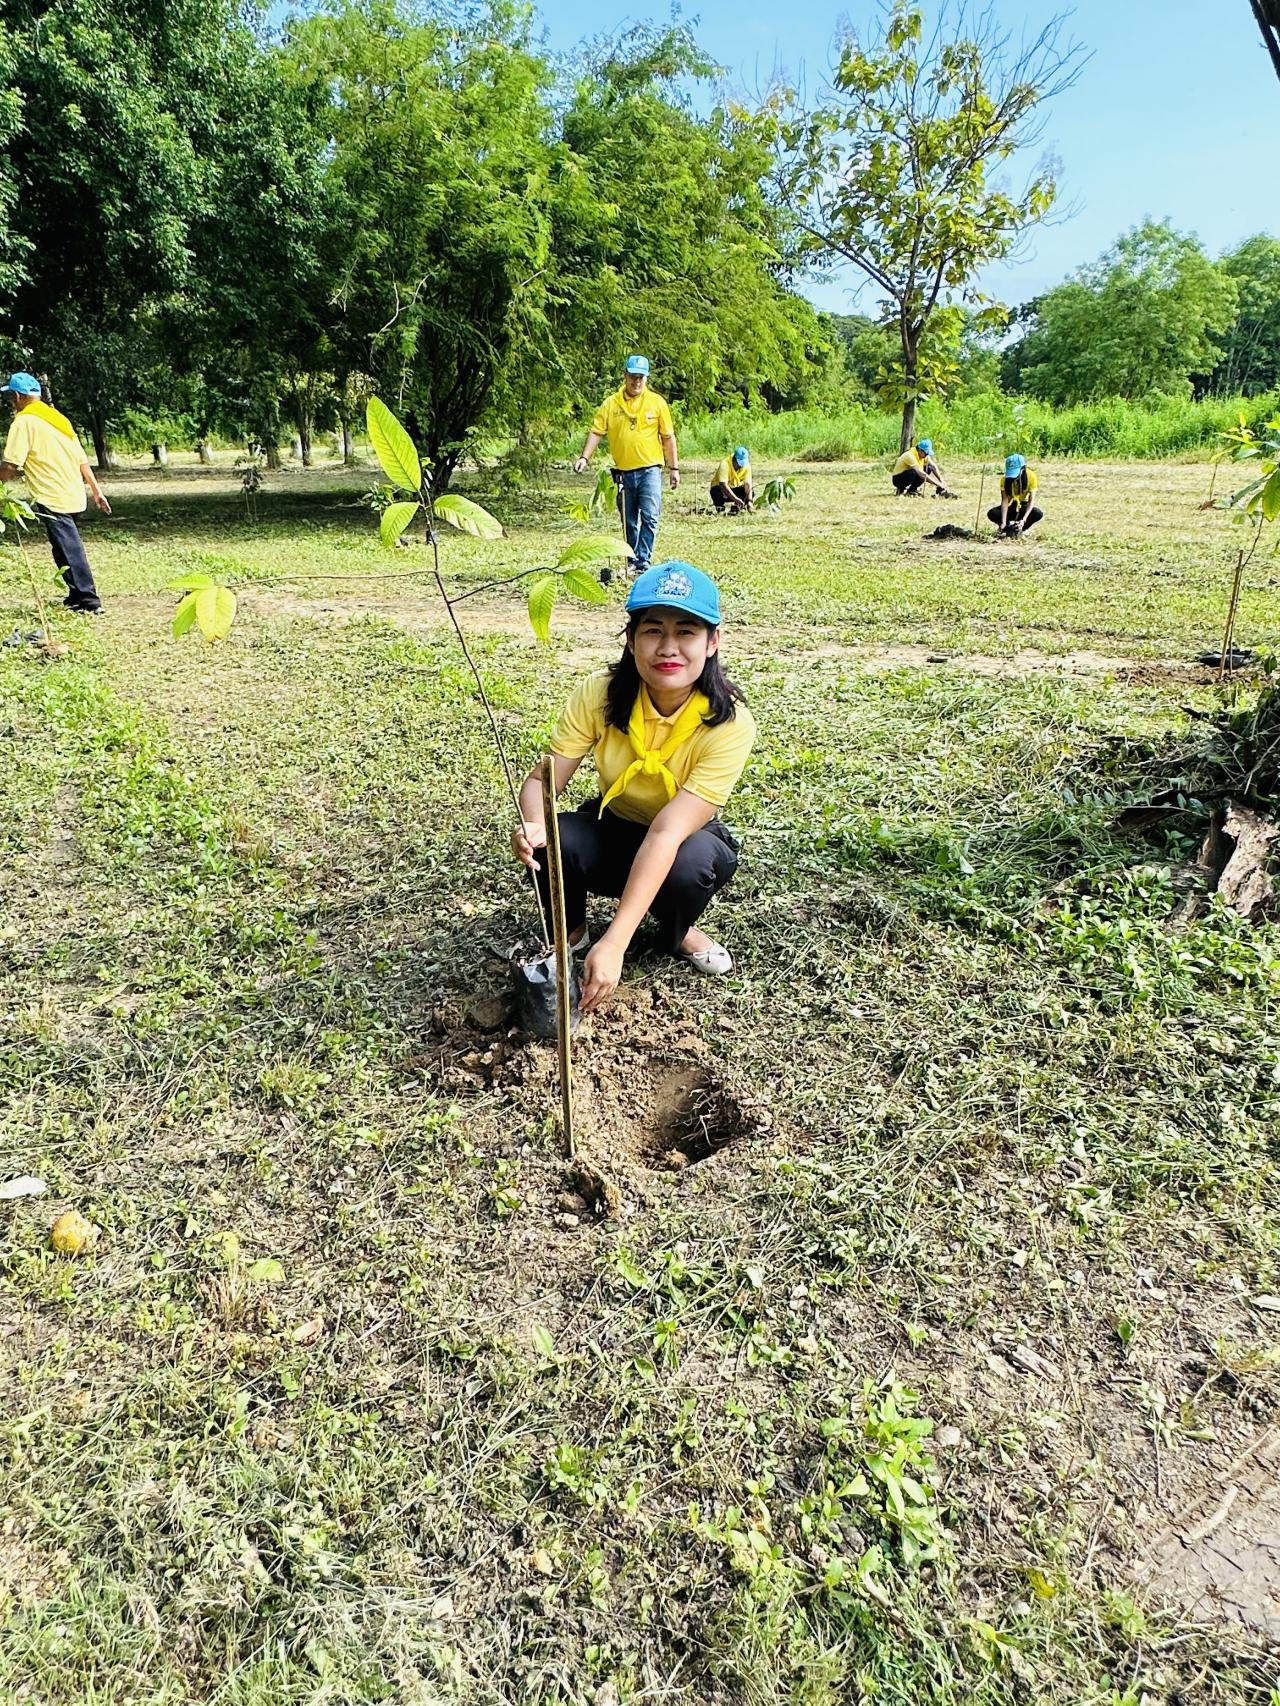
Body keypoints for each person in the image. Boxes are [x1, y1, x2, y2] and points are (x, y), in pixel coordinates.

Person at [512, 561, 756, 1014]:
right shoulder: (599, 694)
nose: (668, 647)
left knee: (690, 868)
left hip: (682, 840)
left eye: (686, 632)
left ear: (712, 641)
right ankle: (572, 932)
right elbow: (542, 781)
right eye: (653, 630)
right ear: (630, 638)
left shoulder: (728, 722)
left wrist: (616, 941)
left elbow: (666, 832)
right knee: (554, 836)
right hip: (614, 825)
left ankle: (677, 932)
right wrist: (532, 824)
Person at [1, 372, 110, 613]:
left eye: (11, 397)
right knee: (61, 546)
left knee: (69, 547)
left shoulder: (24, 421)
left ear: (17, 396)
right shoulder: (58, 419)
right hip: (73, 491)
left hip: (52, 494)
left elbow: (10, 464)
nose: (11, 402)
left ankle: (89, 600)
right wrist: (96, 491)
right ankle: (76, 596)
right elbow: (82, 460)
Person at [573, 356, 679, 576]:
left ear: (646, 378)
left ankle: (643, 560)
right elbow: (596, 431)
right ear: (625, 376)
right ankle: (631, 559)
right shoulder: (611, 404)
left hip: (650, 470)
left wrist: (674, 469)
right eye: (633, 376)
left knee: (650, 516)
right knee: (628, 520)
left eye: (641, 377)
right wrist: (584, 458)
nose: (636, 381)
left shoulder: (657, 403)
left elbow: (668, 437)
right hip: (623, 472)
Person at [988, 453, 1043, 537]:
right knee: (993, 513)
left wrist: (1023, 520)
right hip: (1011, 506)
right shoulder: (1004, 480)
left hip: (1022, 506)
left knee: (1037, 513)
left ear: (1022, 469)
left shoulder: (1031, 477)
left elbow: (1031, 501)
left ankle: (1022, 529)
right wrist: (1003, 522)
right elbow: (1005, 501)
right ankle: (1006, 529)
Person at [711, 446, 753, 512]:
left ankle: (737, 507)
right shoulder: (725, 464)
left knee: (750, 492)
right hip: (723, 491)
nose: (740, 466)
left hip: (734, 488)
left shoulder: (746, 466)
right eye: (739, 463)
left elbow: (748, 484)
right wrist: (735, 499)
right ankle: (720, 507)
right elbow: (723, 485)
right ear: (734, 459)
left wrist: (750, 501)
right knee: (716, 492)